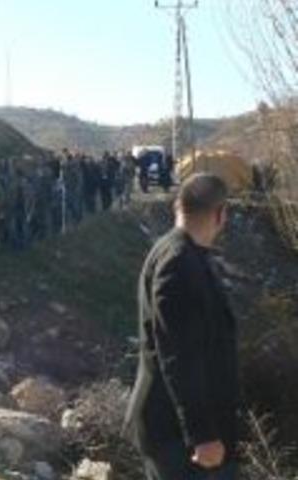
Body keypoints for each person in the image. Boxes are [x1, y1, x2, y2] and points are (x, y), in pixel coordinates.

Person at [125, 174, 239, 480]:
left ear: (178, 206)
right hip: (178, 437)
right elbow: (178, 357)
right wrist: (202, 434)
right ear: (220, 214)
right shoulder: (177, 263)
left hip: (182, 430)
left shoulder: (182, 252)